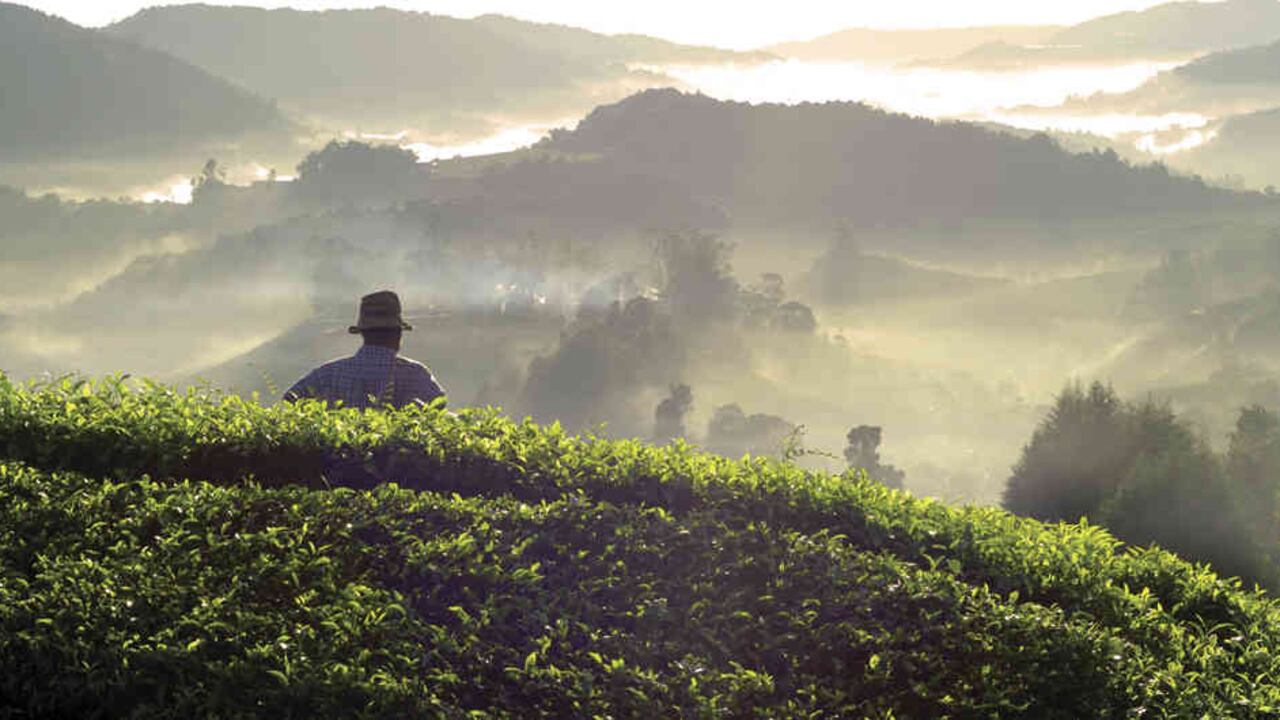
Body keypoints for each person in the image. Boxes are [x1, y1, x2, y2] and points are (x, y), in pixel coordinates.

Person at [284, 290, 446, 409]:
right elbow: (438, 409)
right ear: (396, 334)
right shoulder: (416, 375)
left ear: (363, 333)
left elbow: (290, 399)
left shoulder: (328, 373)